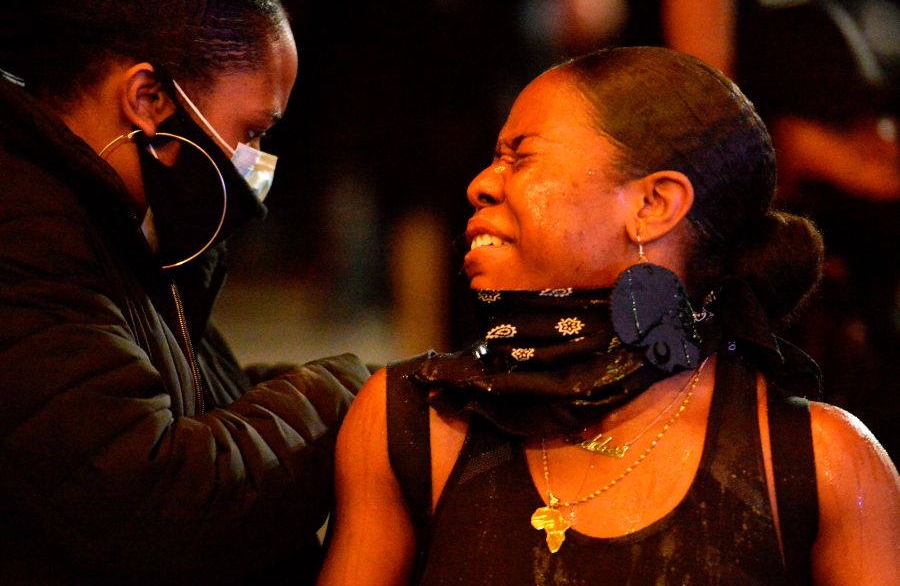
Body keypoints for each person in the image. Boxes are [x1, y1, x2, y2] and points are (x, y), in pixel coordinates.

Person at [317, 47, 899, 585]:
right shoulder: (411, 424)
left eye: (520, 157)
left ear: (653, 205)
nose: (479, 186)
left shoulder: (820, 464)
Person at [0, 0, 367, 584]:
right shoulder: (24, 234)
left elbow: (196, 399)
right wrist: (357, 393)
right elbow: (153, 503)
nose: (256, 164)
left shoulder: (120, 221)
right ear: (149, 99)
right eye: (252, 133)